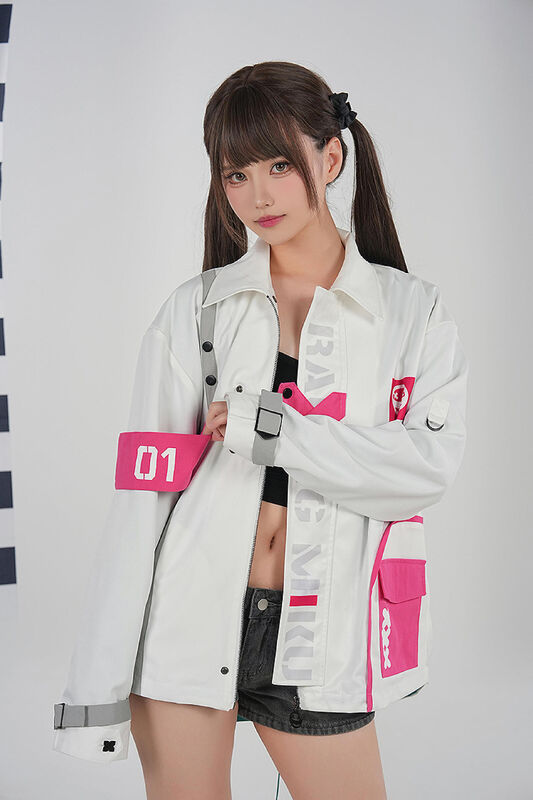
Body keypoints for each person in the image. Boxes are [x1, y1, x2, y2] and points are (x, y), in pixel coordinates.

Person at [52, 61, 468, 800]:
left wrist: (272, 430)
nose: (258, 195)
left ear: (330, 158)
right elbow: (141, 501)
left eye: (279, 165)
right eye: (235, 175)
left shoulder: (413, 314)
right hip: (186, 623)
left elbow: (423, 472)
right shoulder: (196, 310)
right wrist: (95, 684)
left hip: (322, 638)